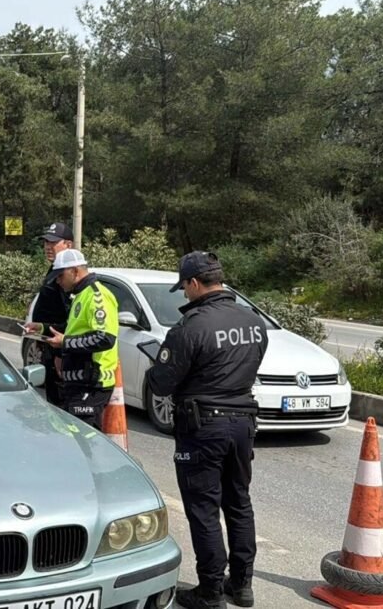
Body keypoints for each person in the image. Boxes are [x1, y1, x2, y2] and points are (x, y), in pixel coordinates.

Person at [145, 252, 269, 609]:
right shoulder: (254, 321)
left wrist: (157, 364)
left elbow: (163, 383)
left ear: (195, 283)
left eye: (185, 286)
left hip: (203, 425)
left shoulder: (190, 327)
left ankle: (211, 591)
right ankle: (242, 585)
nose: (185, 293)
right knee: (239, 502)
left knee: (203, 508)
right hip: (243, 422)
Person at [41, 249, 119, 429]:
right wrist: (42, 328)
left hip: (92, 382)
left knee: (84, 437)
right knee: (75, 435)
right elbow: (73, 329)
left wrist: (65, 342)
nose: (58, 281)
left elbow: (104, 338)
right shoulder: (80, 295)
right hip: (78, 382)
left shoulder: (97, 296)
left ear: (75, 271)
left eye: (60, 276)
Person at [22, 222, 74, 408]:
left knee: (60, 405)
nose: (48, 247)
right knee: (53, 399)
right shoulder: (55, 269)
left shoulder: (68, 275)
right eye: (46, 242)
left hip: (60, 348)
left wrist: (61, 353)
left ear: (68, 245)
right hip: (49, 344)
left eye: (53, 242)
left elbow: (69, 318)